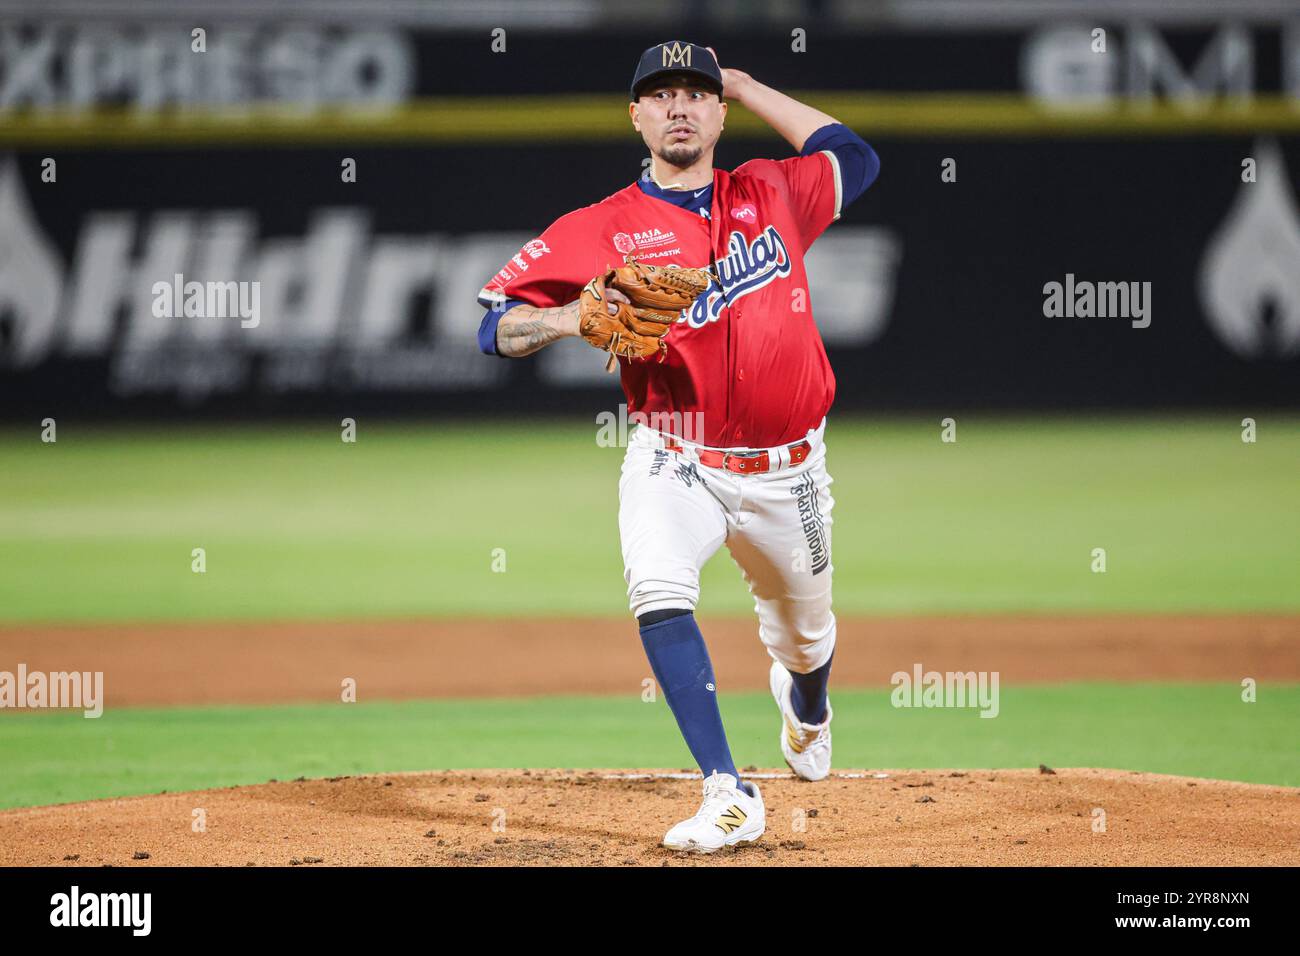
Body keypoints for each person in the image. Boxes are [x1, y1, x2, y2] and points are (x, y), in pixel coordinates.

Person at [476, 41, 880, 852]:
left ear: (720, 111)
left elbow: (855, 156)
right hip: (674, 453)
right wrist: (566, 319)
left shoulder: (773, 189)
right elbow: (492, 326)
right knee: (657, 588)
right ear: (637, 115)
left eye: (697, 93)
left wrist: (750, 82)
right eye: (660, 96)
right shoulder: (600, 228)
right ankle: (727, 791)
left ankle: (806, 707)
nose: (679, 107)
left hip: (788, 467)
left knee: (806, 638)